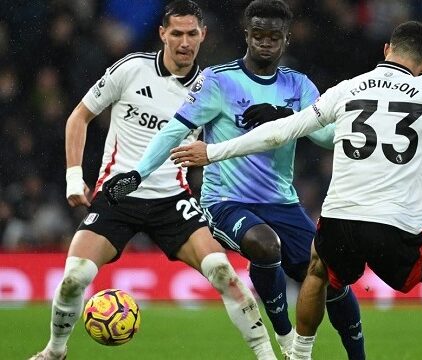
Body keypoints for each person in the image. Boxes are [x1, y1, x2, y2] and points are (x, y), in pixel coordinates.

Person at [166, 22, 422, 360]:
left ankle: (299, 355)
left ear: (386, 49)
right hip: (395, 227)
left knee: (318, 272)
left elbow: (282, 131)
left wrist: (213, 151)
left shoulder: (347, 89)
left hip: (339, 222)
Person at [102, 0, 365, 359]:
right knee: (265, 245)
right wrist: (138, 172)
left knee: (331, 277)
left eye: (274, 36)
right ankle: (286, 340)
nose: (265, 42)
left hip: (281, 202)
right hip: (226, 202)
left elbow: (324, 136)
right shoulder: (219, 81)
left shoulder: (298, 85)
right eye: (258, 34)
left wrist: (287, 116)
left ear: (285, 40)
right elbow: (173, 131)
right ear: (247, 35)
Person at [29, 2, 276, 359]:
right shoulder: (132, 69)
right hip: (118, 196)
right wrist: (73, 177)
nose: (184, 42)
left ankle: (267, 357)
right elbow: (79, 117)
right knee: (73, 279)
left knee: (225, 274)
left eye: (192, 33)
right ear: (163, 34)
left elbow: (232, 144)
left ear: (203, 35)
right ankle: (55, 351)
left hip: (172, 199)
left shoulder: (213, 88)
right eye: (176, 33)